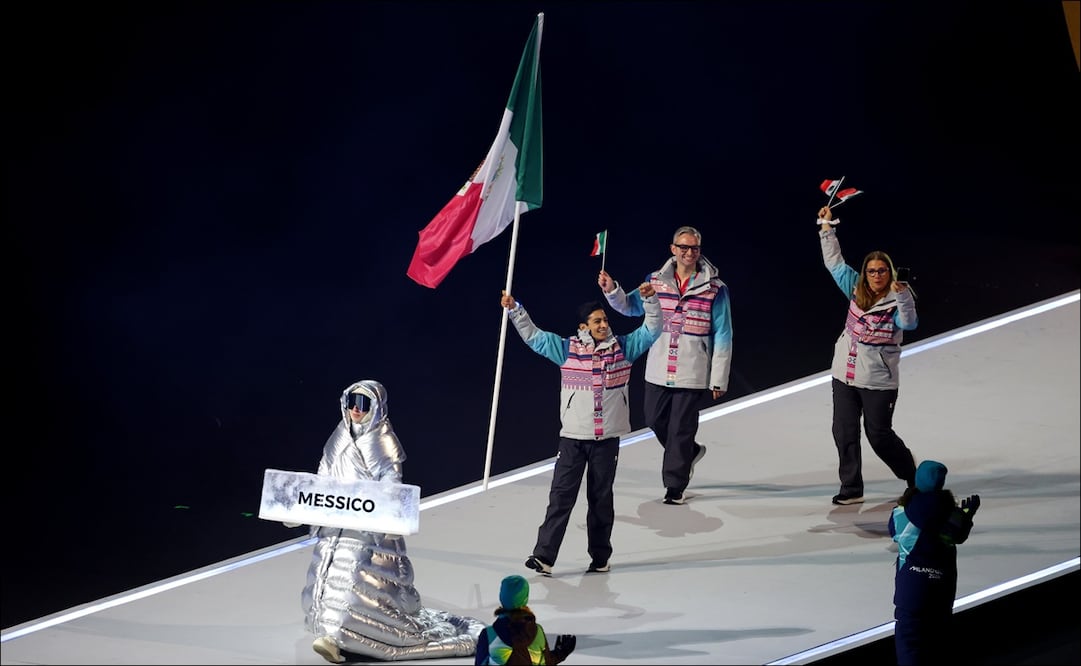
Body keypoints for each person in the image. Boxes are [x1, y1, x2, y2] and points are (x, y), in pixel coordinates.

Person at [299, 380, 485, 663]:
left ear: (375, 407)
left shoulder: (383, 440)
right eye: (351, 403)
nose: (355, 410)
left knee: (353, 578)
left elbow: (391, 484)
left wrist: (372, 510)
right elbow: (324, 472)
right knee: (327, 574)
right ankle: (329, 631)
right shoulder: (339, 436)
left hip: (367, 528)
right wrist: (308, 504)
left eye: (362, 404)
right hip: (336, 524)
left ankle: (335, 636)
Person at [502, 283, 662, 576]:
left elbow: (652, 329)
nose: (603, 325)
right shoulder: (567, 349)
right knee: (561, 497)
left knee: (600, 500)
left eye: (605, 320)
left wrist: (650, 300)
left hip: (606, 441)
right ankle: (544, 557)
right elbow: (534, 337)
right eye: (597, 321)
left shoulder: (623, 348)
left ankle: (600, 558)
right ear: (583, 327)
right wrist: (515, 310)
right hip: (573, 439)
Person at [598, 225, 733, 505]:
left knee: (680, 429)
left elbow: (724, 334)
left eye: (693, 248)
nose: (688, 252)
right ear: (673, 249)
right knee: (654, 420)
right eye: (683, 247)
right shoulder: (655, 282)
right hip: (658, 368)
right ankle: (689, 453)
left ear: (699, 251)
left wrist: (718, 378)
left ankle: (675, 485)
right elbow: (630, 307)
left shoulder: (715, 288)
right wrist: (612, 290)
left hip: (692, 370)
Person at [817, 205, 918, 505]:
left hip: (878, 380)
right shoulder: (854, 287)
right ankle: (851, 488)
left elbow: (909, 323)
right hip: (844, 375)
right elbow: (834, 262)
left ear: (890, 272)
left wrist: (903, 295)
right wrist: (826, 228)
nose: (876, 275)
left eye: (881, 271)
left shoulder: (899, 298)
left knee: (879, 436)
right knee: (843, 432)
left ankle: (912, 475)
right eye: (871, 271)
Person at [888, 460, 980, 665]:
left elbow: (894, 532)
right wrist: (967, 516)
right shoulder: (952, 514)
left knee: (910, 649)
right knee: (938, 648)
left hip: (910, 593)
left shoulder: (901, 514)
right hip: (941, 594)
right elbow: (958, 535)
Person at [474, 575, 577, 665]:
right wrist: (560, 653)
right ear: (525, 598)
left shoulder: (488, 635)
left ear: (501, 597)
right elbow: (545, 662)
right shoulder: (537, 632)